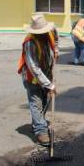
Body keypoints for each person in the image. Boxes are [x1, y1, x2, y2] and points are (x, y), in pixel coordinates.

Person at [18, 14, 59, 145]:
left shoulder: (50, 32)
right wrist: (50, 85)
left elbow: (56, 36)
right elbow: (33, 67)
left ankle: (37, 123)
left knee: (44, 100)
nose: (44, 33)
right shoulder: (30, 42)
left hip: (46, 72)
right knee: (36, 103)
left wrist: (56, 49)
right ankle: (41, 131)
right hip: (32, 77)